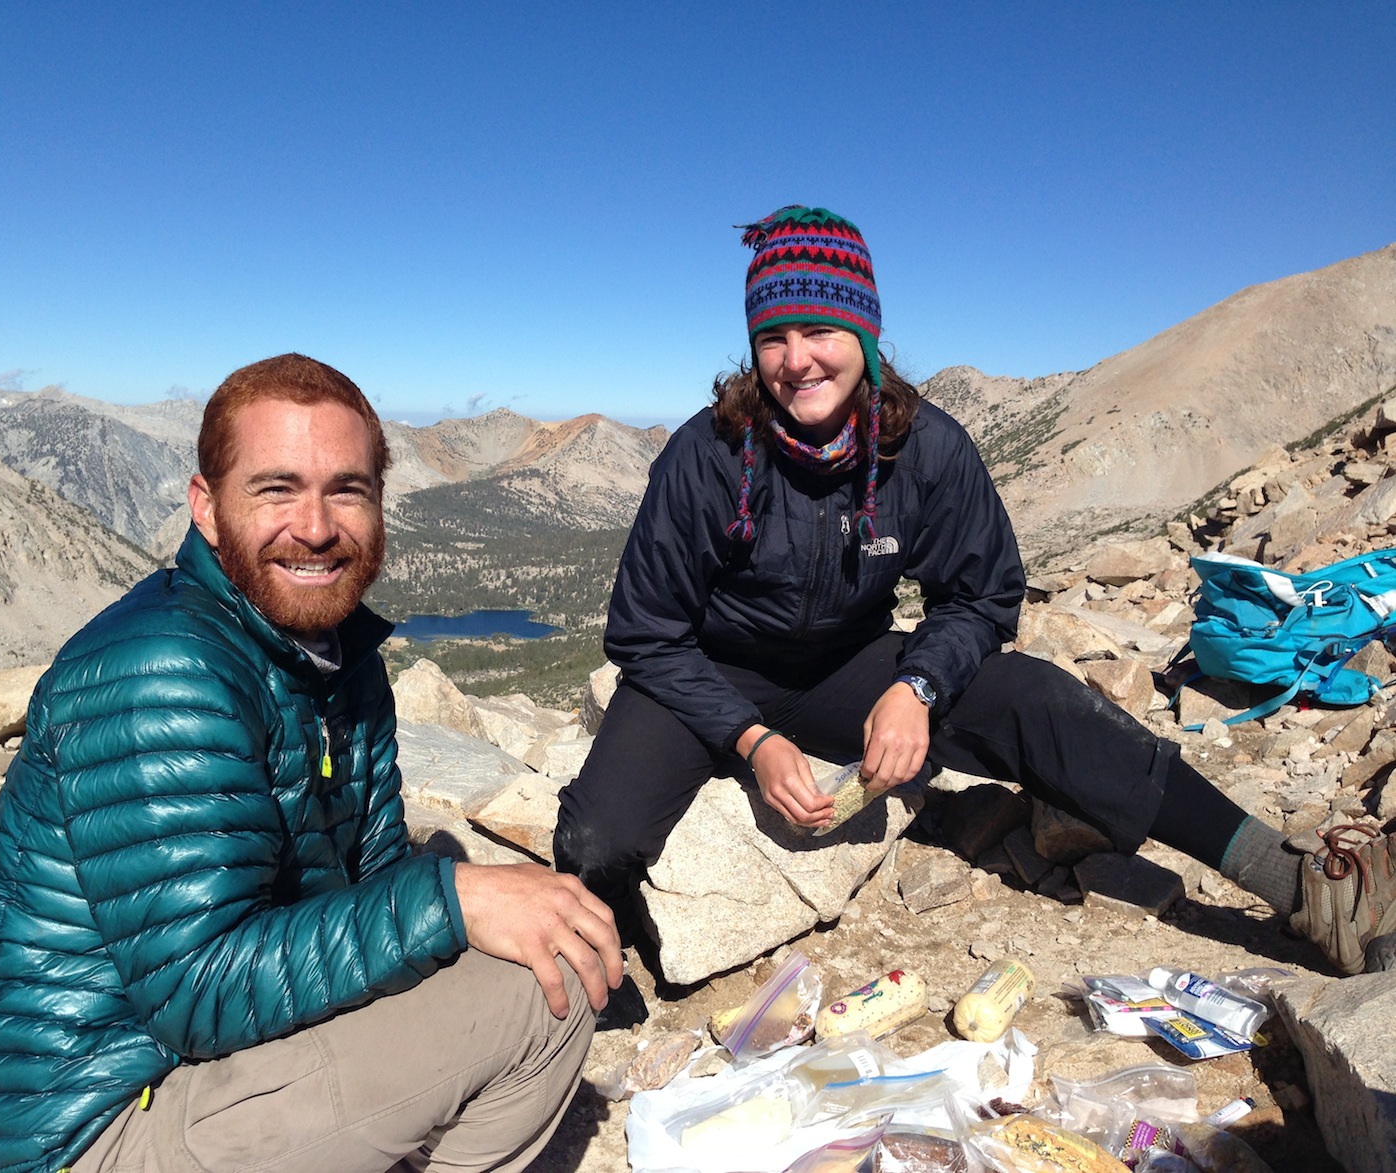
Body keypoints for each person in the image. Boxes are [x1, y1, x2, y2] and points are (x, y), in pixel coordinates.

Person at [553, 204, 1395, 982]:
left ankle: (1292, 882)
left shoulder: (924, 449)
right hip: (711, 671)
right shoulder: (707, 456)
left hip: (850, 662)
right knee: (595, 841)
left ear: (864, 331)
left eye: (819, 328)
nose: (795, 357)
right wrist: (751, 740)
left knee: (1035, 698)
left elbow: (984, 595)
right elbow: (645, 633)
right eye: (772, 335)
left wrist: (917, 688)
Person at [0, 354, 623, 1173]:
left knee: (524, 932)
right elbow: (195, 992)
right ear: (206, 507)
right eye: (276, 489)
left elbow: (369, 879)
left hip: (189, 1076)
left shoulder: (338, 656)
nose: (314, 525)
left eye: (347, 489)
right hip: (97, 1127)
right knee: (528, 992)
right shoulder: (165, 671)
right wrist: (450, 898)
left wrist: (450, 895)